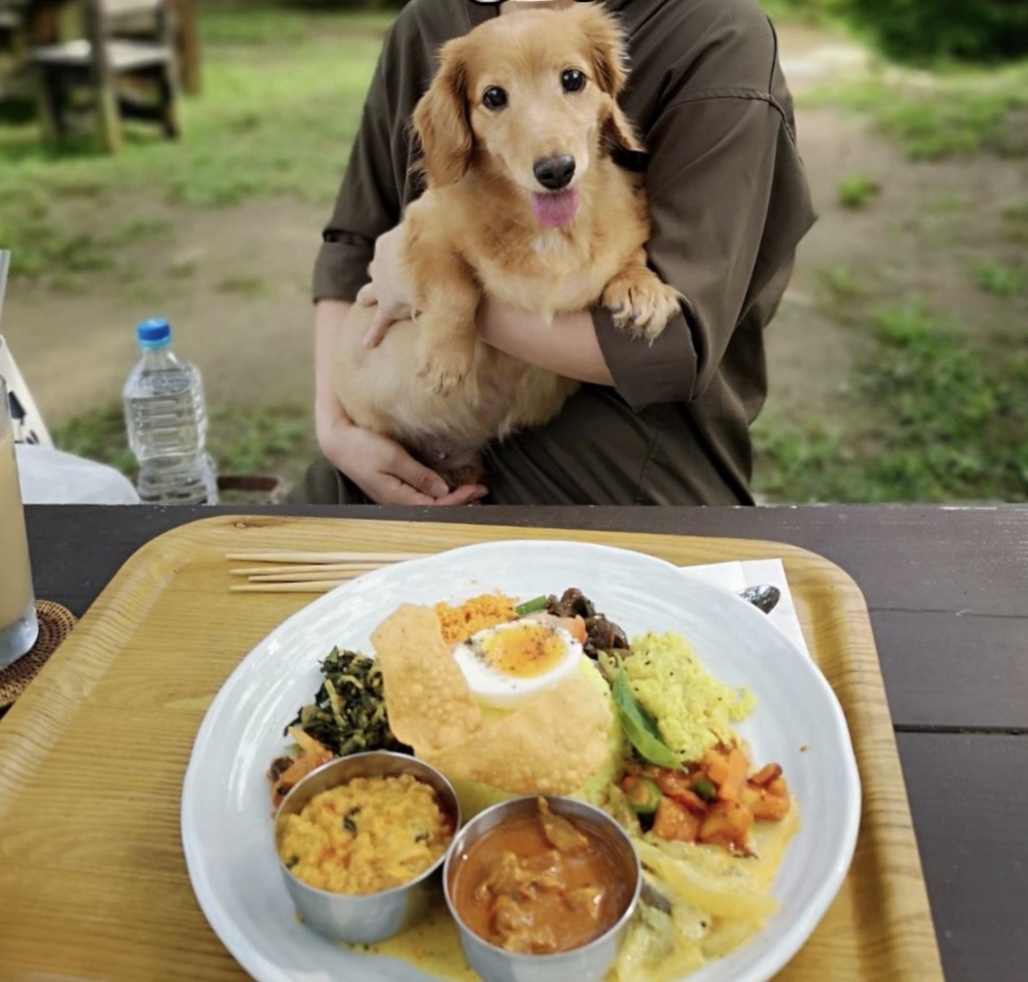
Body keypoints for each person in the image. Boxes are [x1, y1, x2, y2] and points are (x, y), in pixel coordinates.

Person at [293, 0, 815, 507]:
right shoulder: (428, 21)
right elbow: (352, 241)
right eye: (495, 98)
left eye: (572, 82)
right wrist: (338, 433)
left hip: (617, 467)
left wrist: (430, 289)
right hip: (395, 441)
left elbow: (669, 346)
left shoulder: (714, 30)